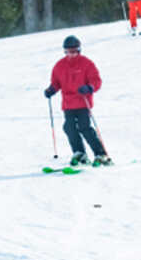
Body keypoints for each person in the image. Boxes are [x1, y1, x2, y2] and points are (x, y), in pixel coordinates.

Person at [43, 35, 112, 168]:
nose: (71, 54)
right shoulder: (59, 66)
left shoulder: (86, 63)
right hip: (68, 104)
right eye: (68, 51)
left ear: (79, 50)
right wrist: (51, 90)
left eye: (74, 51)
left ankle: (100, 154)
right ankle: (79, 153)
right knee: (69, 127)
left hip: (83, 102)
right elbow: (56, 83)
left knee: (84, 127)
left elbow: (96, 81)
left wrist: (89, 87)